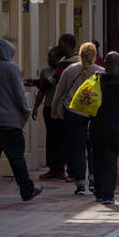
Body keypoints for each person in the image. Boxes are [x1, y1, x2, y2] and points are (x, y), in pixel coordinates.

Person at [0, 38, 41, 205]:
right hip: (11, 124)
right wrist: (25, 112)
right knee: (17, 159)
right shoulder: (12, 69)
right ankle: (26, 190)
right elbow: (20, 96)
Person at [86, 51, 119, 205]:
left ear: (105, 63)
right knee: (110, 161)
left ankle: (99, 192)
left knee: (97, 160)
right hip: (114, 127)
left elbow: (88, 101)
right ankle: (108, 194)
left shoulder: (96, 81)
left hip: (96, 126)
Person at [50, 42, 97, 194]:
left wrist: (54, 108)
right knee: (93, 148)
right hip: (93, 114)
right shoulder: (100, 72)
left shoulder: (70, 70)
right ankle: (93, 179)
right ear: (94, 55)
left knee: (77, 148)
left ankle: (80, 183)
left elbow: (60, 91)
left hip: (73, 112)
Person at [34, 43, 69, 180]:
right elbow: (42, 90)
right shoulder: (45, 71)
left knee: (62, 138)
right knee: (51, 139)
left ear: (59, 58)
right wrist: (36, 107)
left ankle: (62, 167)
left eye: (52, 57)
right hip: (49, 107)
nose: (49, 60)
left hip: (62, 108)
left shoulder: (64, 70)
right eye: (48, 57)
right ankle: (53, 168)